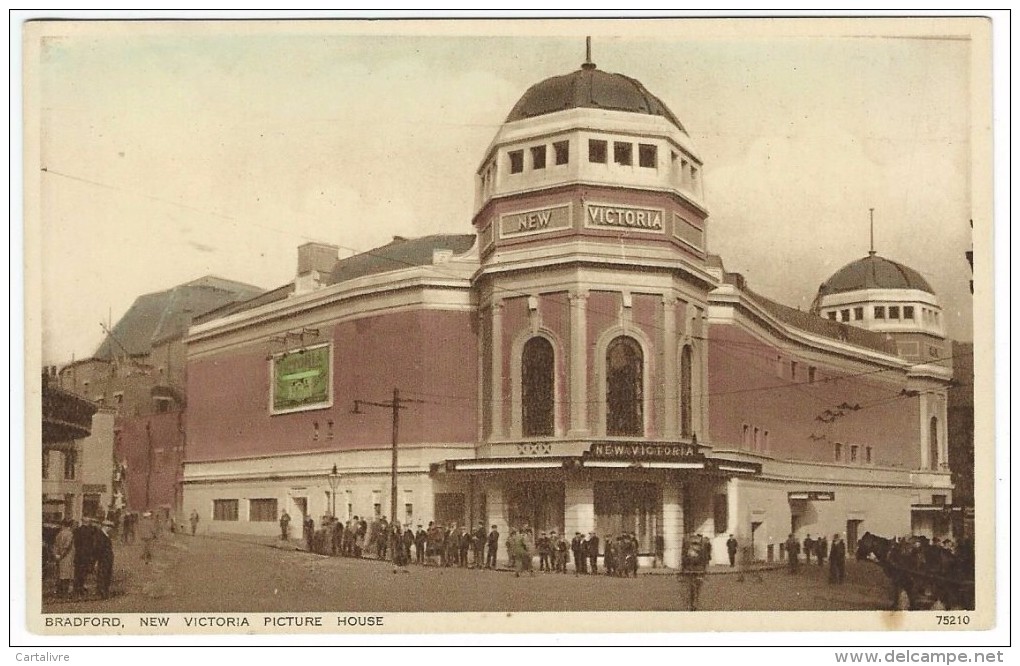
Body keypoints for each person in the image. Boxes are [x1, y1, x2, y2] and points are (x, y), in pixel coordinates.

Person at [54, 519, 75, 597]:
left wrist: (57, 555)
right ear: (69, 525)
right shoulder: (69, 534)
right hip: (67, 557)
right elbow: (67, 546)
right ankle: (64, 592)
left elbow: (55, 545)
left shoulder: (59, 534)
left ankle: (59, 591)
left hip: (59, 556)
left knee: (60, 573)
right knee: (66, 575)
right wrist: (62, 555)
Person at [95, 520, 115, 599]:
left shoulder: (105, 535)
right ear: (106, 527)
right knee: (103, 575)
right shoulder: (100, 535)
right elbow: (98, 548)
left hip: (107, 558)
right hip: (103, 558)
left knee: (107, 574)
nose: (111, 529)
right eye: (110, 527)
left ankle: (104, 591)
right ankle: (102, 592)